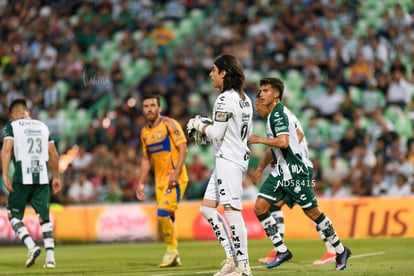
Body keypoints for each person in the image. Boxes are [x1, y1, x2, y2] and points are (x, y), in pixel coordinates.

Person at [248, 77, 351, 271]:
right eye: (260, 92)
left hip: (296, 169)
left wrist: (259, 140)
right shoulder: (275, 115)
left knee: (311, 211)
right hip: (282, 169)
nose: (260, 95)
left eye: (265, 91)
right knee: (261, 206)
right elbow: (291, 139)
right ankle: (281, 249)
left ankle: (338, 249)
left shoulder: (278, 115)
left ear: (276, 94)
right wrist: (268, 163)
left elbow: (284, 142)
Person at [186, 54, 253, 276]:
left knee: (232, 210)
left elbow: (216, 133)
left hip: (229, 160)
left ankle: (244, 268)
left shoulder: (224, 99)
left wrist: (199, 124)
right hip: (232, 157)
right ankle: (232, 259)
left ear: (224, 73)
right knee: (206, 208)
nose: (210, 74)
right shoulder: (244, 98)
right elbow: (245, 133)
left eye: (213, 70)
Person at [1, 98, 62, 268]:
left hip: (22, 177)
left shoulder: (11, 127)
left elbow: (6, 149)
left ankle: (31, 246)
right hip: (42, 177)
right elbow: (54, 155)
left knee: (13, 215)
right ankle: (50, 259)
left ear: (14, 114)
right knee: (44, 217)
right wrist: (56, 177)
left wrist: (5, 174)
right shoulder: (43, 126)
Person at [135, 94, 188, 268]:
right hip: (159, 181)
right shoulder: (145, 133)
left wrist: (176, 172)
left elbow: (183, 149)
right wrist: (141, 182)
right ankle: (175, 254)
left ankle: (171, 251)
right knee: (169, 217)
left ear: (159, 108)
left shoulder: (170, 124)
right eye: (146, 106)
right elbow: (145, 159)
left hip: (175, 178)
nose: (149, 109)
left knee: (162, 213)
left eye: (152, 105)